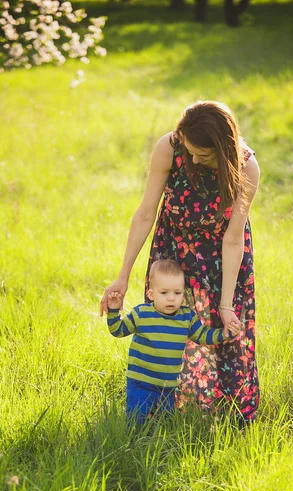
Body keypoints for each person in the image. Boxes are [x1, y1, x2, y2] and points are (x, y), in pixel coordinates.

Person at [101, 100, 260, 425]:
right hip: (172, 249)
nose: (194, 159)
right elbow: (146, 212)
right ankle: (158, 409)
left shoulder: (246, 167)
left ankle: (229, 417)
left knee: (223, 330)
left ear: (223, 148)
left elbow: (233, 238)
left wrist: (226, 304)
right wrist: (123, 276)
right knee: (164, 325)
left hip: (221, 255)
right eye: (189, 151)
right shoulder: (170, 148)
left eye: (204, 155)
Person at [106, 259, 240, 424]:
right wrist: (113, 310)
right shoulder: (141, 314)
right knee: (136, 422)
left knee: (166, 423)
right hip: (140, 383)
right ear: (151, 294)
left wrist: (225, 333)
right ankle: (132, 445)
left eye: (177, 293)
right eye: (164, 293)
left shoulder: (186, 317)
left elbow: (203, 336)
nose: (171, 299)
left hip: (167, 387)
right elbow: (117, 330)